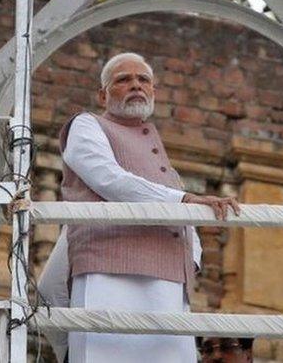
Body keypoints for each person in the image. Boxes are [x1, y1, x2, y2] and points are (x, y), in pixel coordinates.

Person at [37, 52, 240, 363]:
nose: (135, 85)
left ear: (154, 91)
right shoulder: (87, 125)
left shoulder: (161, 157)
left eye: (143, 79)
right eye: (123, 79)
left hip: (170, 282)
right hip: (108, 271)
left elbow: (177, 202)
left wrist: (191, 257)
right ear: (102, 95)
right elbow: (108, 178)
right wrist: (183, 201)